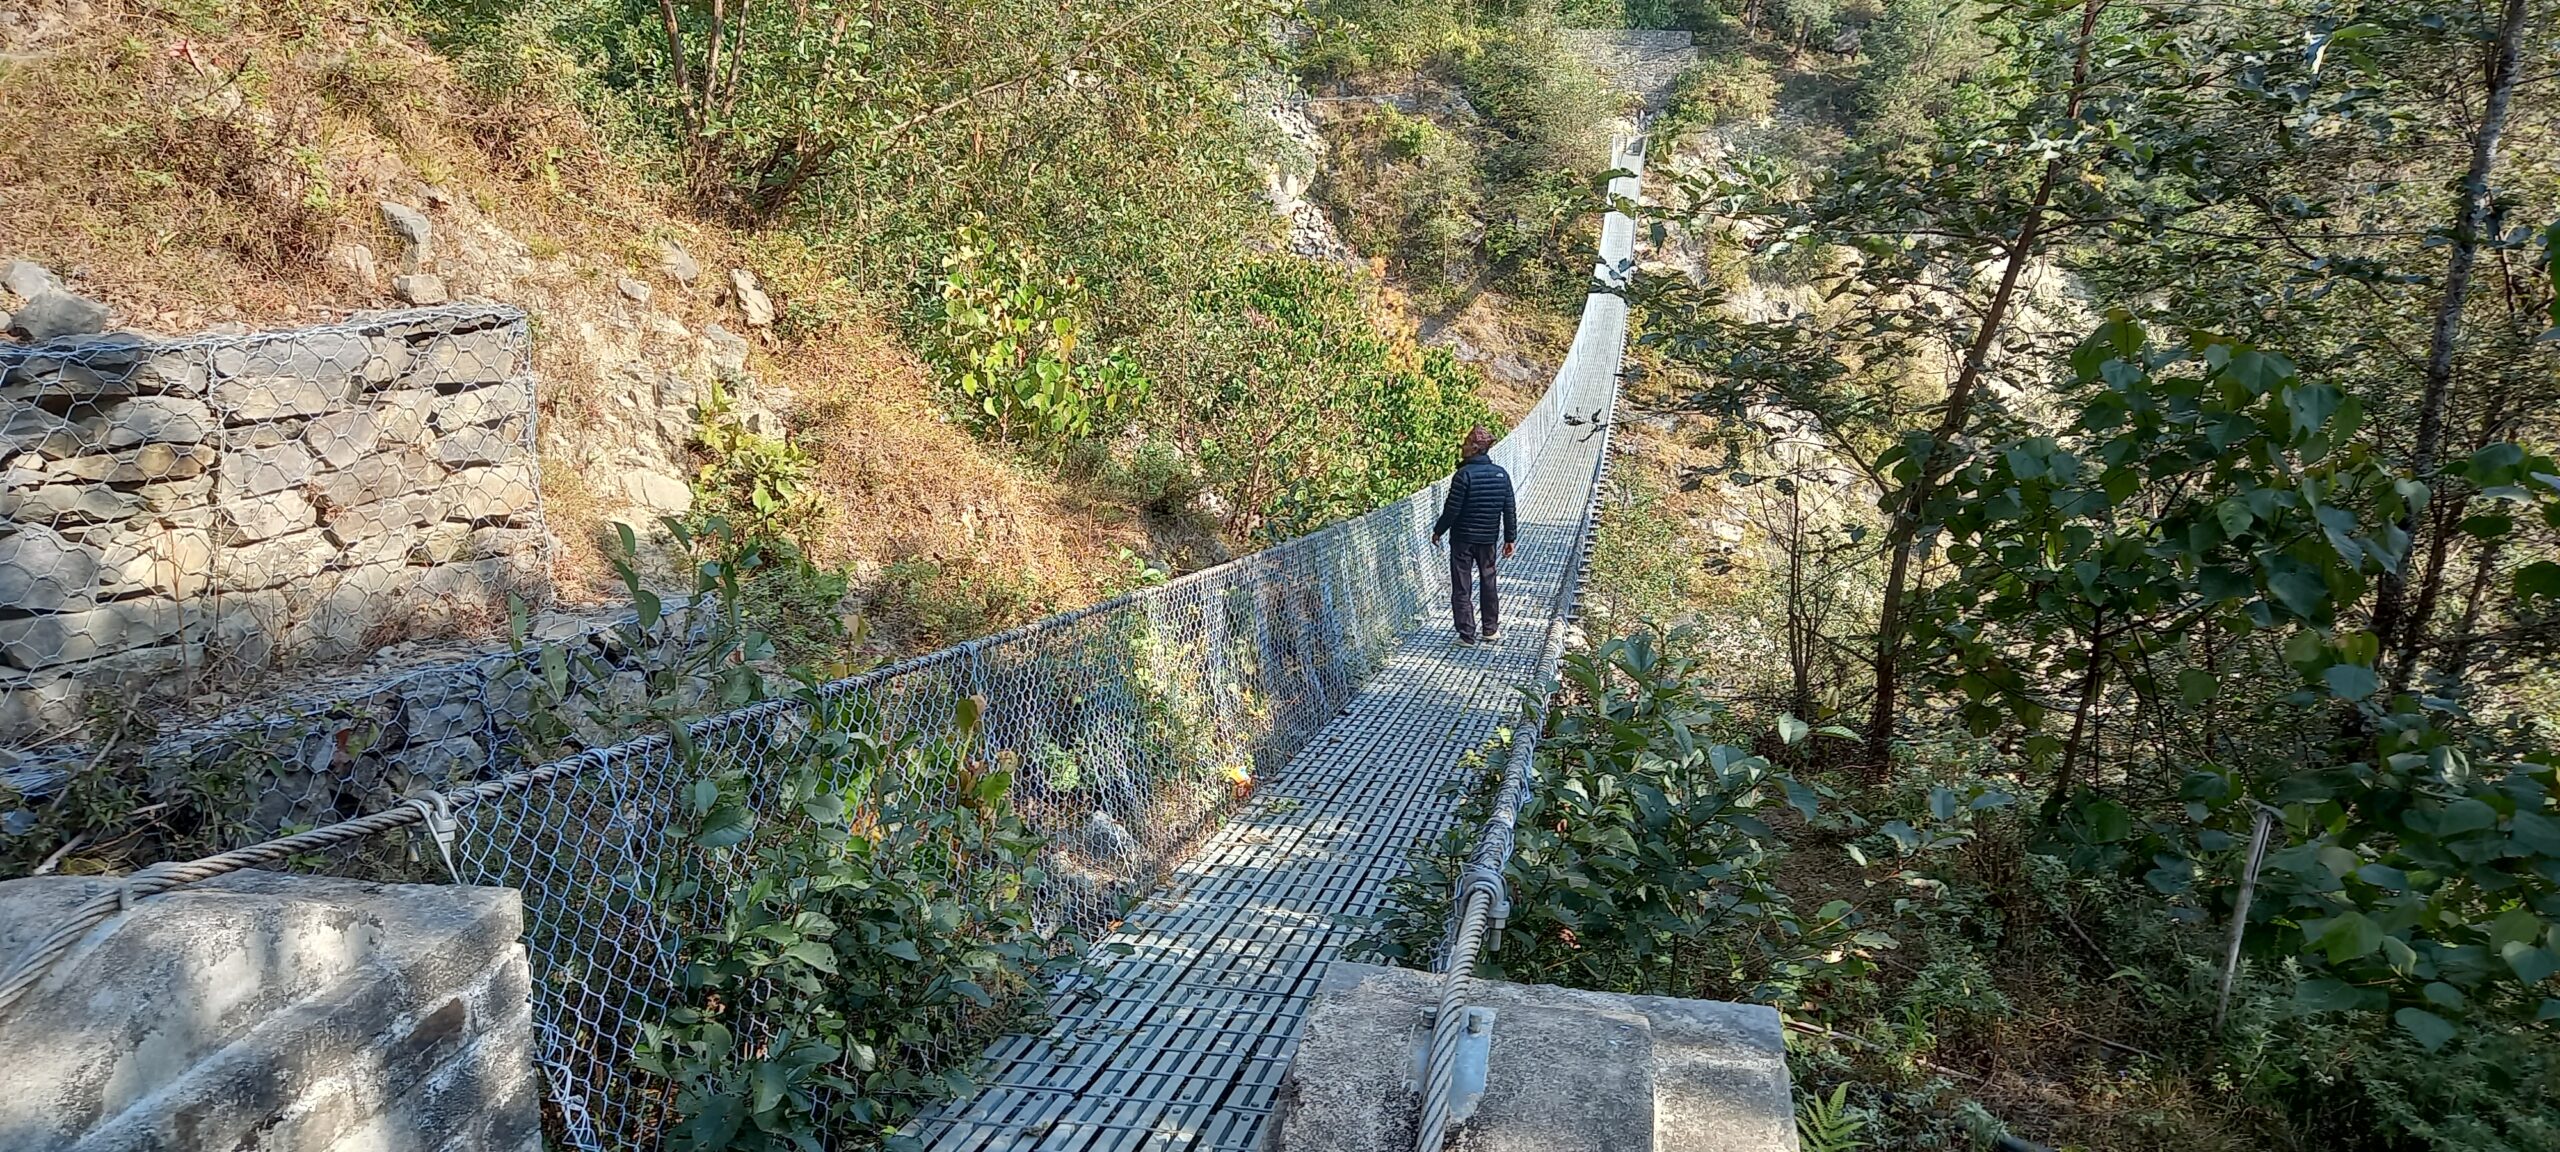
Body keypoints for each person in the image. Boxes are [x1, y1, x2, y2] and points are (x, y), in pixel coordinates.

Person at [1430, 426, 1517, 647]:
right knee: (1489, 581)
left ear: (1476, 448)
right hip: (1488, 539)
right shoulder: (1501, 474)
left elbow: (1452, 509)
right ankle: (1491, 629)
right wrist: (1510, 538)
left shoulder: (1463, 475)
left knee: (1462, 585)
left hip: (1462, 539)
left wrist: (1439, 530)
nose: (1463, 447)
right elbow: (1509, 508)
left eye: (1467, 443)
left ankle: (1466, 634)